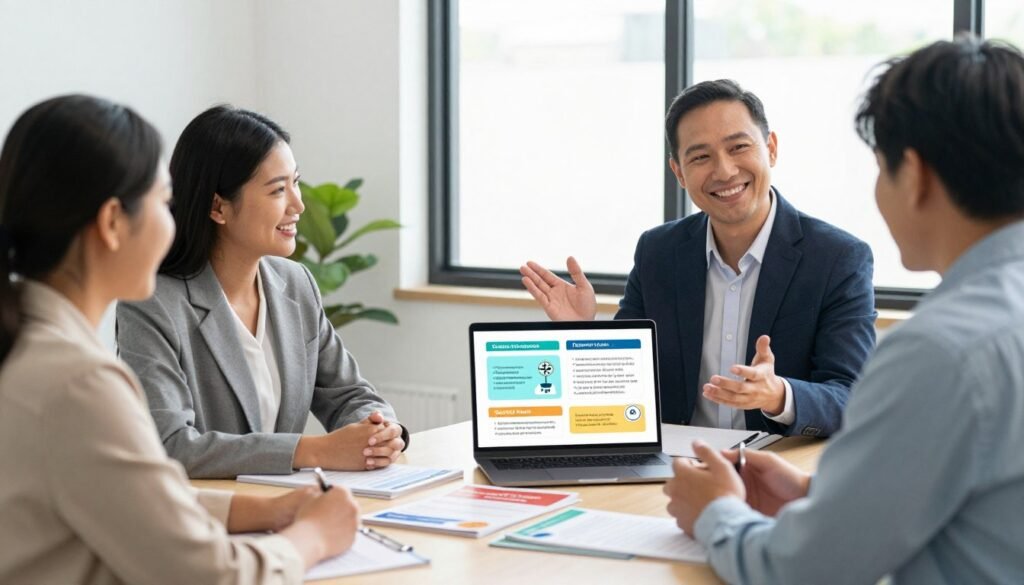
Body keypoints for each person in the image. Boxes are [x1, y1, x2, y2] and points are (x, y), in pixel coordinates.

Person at [664, 36, 1024, 584]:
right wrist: (819, 494)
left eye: (880, 168)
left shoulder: (941, 351)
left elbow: (802, 570)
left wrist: (715, 511)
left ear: (917, 174)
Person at [0, 95, 358, 584]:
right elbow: (211, 577)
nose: (174, 222)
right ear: (111, 223)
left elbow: (124, 496)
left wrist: (258, 511)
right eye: (163, 201)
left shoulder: (33, 350)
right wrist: (314, 537)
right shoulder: (79, 384)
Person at [521, 80, 875, 437]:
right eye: (701, 157)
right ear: (679, 173)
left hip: (776, 472)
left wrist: (778, 395)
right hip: (672, 469)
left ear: (771, 149)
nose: (724, 171)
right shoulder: (658, 252)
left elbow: (853, 399)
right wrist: (580, 333)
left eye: (738, 147)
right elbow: (627, 388)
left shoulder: (838, 259)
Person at [117, 106, 407, 479]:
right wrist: (313, 449)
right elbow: (171, 445)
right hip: (207, 517)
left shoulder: (296, 284)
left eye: (296, 182)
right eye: (278, 190)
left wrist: (378, 432)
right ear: (218, 206)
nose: (298, 205)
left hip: (289, 506)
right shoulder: (154, 302)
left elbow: (351, 395)